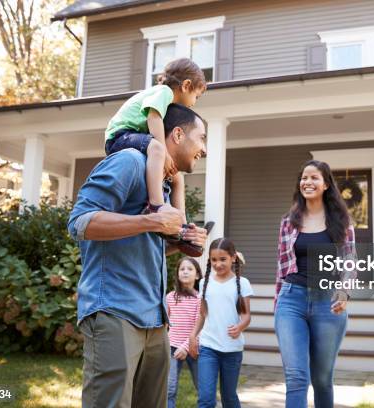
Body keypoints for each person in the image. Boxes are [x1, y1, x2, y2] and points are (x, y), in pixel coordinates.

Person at [68, 103, 208, 408]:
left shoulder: (161, 183)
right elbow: (80, 222)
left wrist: (181, 243)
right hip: (115, 311)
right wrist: (152, 220)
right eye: (202, 138)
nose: (205, 149)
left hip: (155, 319)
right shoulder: (129, 161)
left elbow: (144, 242)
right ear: (179, 134)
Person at [274, 159, 355, 408]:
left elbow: (350, 261)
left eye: (314, 178)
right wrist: (278, 302)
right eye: (304, 178)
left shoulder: (341, 223)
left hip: (326, 303)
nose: (307, 182)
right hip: (292, 300)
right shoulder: (288, 222)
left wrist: (344, 291)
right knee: (296, 377)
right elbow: (281, 265)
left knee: (321, 380)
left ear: (326, 184)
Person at [104, 58, 206, 254]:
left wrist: (179, 234)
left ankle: (182, 227)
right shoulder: (163, 92)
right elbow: (153, 117)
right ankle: (156, 205)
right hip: (120, 135)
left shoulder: (165, 99)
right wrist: (163, 151)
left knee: (177, 176)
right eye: (196, 96)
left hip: (131, 136)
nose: (193, 103)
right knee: (157, 149)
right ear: (186, 86)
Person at [189, 238, 253, 408]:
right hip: (208, 347)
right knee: (205, 398)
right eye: (214, 260)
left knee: (229, 397)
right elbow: (202, 315)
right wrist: (192, 336)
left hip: (232, 350)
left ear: (233, 258)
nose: (218, 264)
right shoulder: (204, 283)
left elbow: (247, 316)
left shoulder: (242, 283)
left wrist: (239, 327)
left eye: (222, 259)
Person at [167, 257, 202, 408]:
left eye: (189, 269)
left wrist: (186, 347)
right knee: (169, 389)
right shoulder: (169, 297)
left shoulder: (200, 299)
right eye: (182, 269)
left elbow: (200, 326)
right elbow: (165, 324)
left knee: (203, 388)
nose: (185, 272)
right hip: (172, 349)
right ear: (178, 274)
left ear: (197, 275)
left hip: (194, 348)